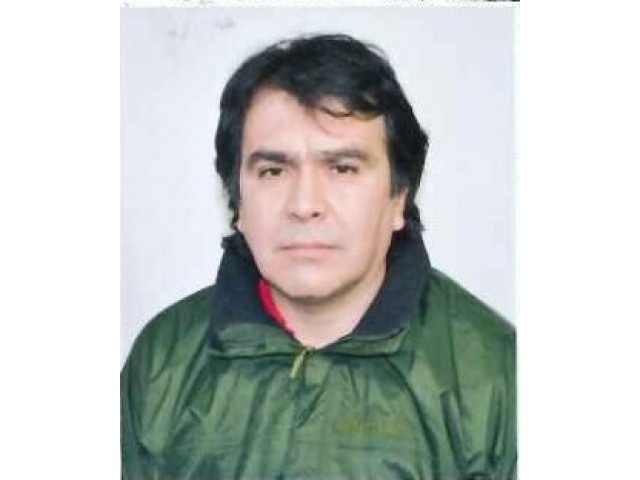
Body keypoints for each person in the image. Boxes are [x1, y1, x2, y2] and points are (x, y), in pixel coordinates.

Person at [121, 33, 516, 479]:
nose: (305, 204)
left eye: (342, 169)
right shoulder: (162, 363)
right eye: (273, 171)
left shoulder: (497, 376)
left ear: (398, 197)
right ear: (238, 203)